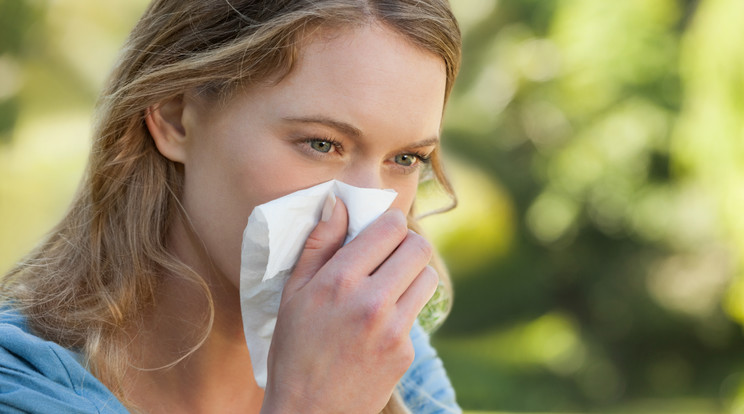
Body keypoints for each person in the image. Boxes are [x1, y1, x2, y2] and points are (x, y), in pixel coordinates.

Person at [0, 0, 462, 412]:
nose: (367, 214)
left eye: (406, 159)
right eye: (322, 143)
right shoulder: (21, 382)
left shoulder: (381, 350)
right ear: (176, 118)